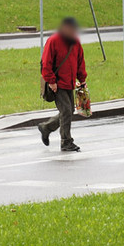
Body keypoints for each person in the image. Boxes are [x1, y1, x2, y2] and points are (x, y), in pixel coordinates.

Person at [38, 17, 87, 151]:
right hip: (57, 84)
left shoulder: (75, 42)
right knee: (66, 110)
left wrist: (82, 79)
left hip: (69, 83)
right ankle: (66, 141)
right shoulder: (53, 41)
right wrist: (52, 82)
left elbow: (80, 61)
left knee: (69, 111)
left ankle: (46, 127)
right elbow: (46, 64)